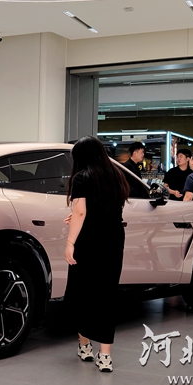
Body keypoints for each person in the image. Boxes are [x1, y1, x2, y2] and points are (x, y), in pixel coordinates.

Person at [64, 136, 129, 372]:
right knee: (106, 293)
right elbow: (104, 209)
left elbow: (81, 212)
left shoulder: (82, 177)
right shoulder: (116, 175)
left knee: (82, 291)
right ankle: (105, 356)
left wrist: (70, 242)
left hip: (89, 240)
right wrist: (77, 216)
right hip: (113, 238)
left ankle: (85, 346)